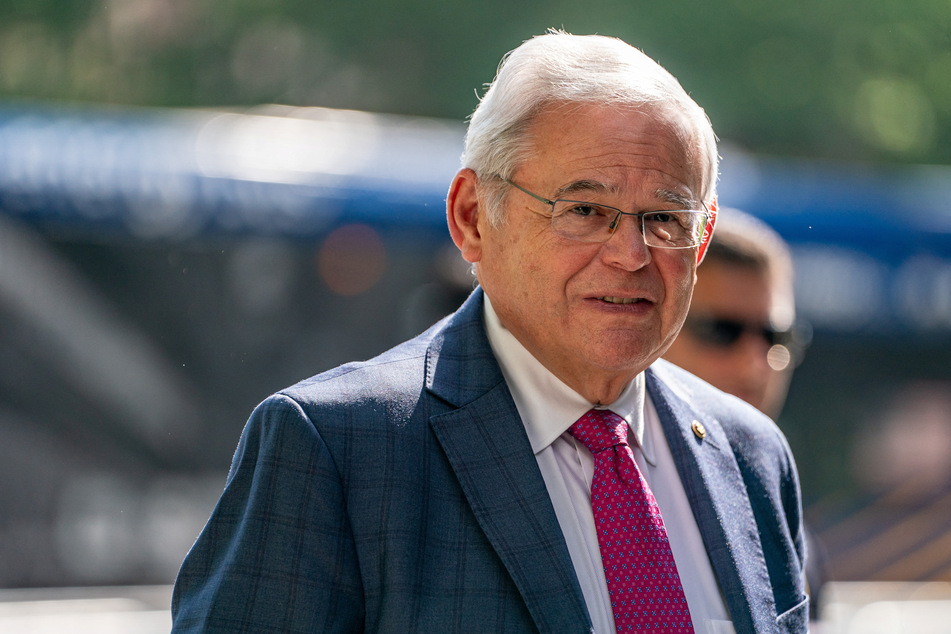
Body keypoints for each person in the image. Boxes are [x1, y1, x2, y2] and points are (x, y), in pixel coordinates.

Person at [172, 31, 808, 633]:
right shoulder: (338, 451)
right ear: (473, 216)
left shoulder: (750, 455)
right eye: (585, 210)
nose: (630, 253)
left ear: (700, 239)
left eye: (665, 218)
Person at [664, 209, 827, 620]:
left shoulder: (785, 526)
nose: (757, 363)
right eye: (723, 331)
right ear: (659, 325)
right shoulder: (619, 493)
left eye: (776, 337)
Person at [663, 208, 800, 420]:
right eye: (722, 331)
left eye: (774, 336)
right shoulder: (610, 449)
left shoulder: (772, 452)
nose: (753, 365)